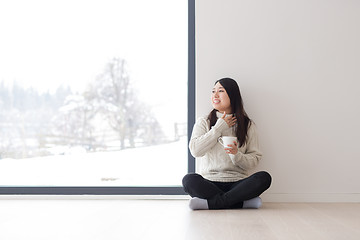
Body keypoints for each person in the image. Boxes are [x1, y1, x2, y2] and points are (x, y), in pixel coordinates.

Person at [182, 77, 272, 210]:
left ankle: (210, 204)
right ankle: (241, 203)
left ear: (232, 95)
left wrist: (236, 154)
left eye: (221, 91)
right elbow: (195, 151)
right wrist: (218, 129)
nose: (215, 95)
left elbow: (254, 160)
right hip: (210, 182)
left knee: (264, 178)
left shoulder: (248, 125)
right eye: (213, 91)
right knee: (189, 180)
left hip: (237, 183)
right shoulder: (204, 122)